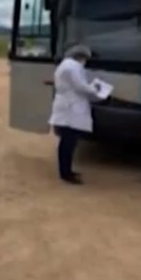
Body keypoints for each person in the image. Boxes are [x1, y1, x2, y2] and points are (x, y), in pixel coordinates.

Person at [48, 44, 104, 185]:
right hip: (70, 107)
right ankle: (65, 173)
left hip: (68, 106)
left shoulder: (67, 65)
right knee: (68, 142)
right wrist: (96, 89)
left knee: (67, 141)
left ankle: (66, 170)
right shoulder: (72, 67)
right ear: (81, 57)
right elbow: (80, 86)